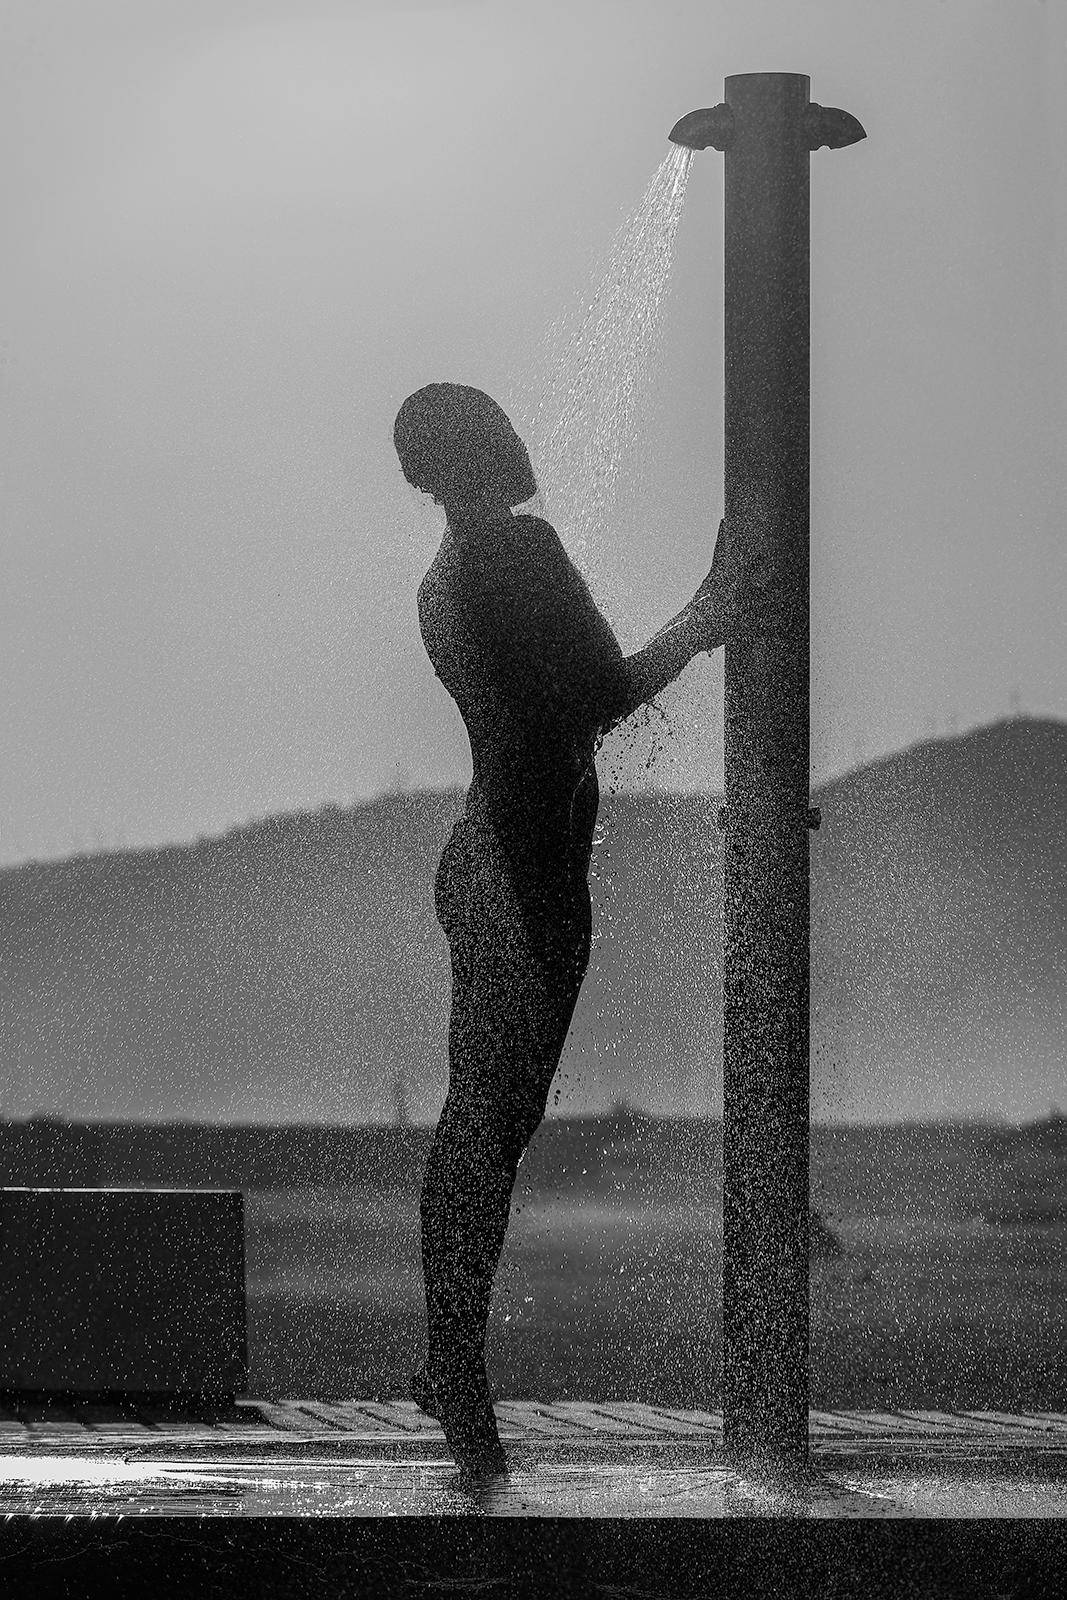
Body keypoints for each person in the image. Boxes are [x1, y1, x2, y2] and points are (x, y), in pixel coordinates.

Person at [393, 381, 757, 1478]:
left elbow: (557, 710)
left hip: (487, 860)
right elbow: (595, 695)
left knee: (481, 1125)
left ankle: (449, 1357)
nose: (519, 435)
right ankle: (450, 1363)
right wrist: (704, 617)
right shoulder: (513, 553)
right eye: (495, 425)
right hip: (519, 872)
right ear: (463, 455)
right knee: (484, 1129)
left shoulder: (446, 575)